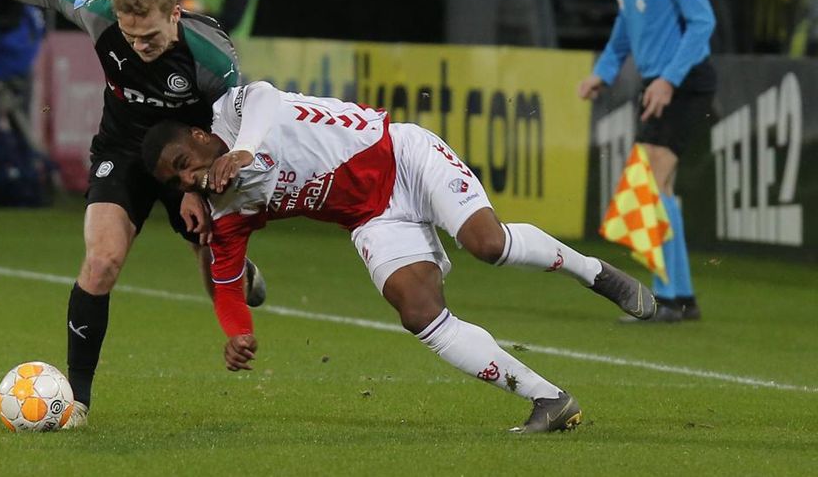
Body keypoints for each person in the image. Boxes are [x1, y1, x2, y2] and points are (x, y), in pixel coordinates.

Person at [141, 81, 658, 433]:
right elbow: (227, 280)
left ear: (201, 137)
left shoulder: (232, 114)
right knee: (417, 313)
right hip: (373, 218)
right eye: (177, 180)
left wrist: (246, 150)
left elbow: (265, 97)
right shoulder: (225, 208)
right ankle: (548, 399)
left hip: (404, 155)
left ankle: (594, 272)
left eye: (185, 164)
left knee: (487, 244)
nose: (189, 179)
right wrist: (236, 332)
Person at [0, 0, 266, 426]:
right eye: (130, 36)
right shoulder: (99, 13)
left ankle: (237, 268)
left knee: (211, 262)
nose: (140, 46)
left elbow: (226, 133)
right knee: (101, 262)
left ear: (175, 14)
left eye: (151, 37)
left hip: (190, 158)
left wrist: (198, 189)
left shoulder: (212, 58)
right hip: (122, 152)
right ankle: (77, 399)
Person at [577, 0, 716, 323]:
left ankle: (669, 299)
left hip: (685, 80)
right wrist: (604, 71)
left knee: (650, 184)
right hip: (656, 83)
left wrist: (669, 80)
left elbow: (702, 23)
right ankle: (681, 298)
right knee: (661, 188)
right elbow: (626, 22)